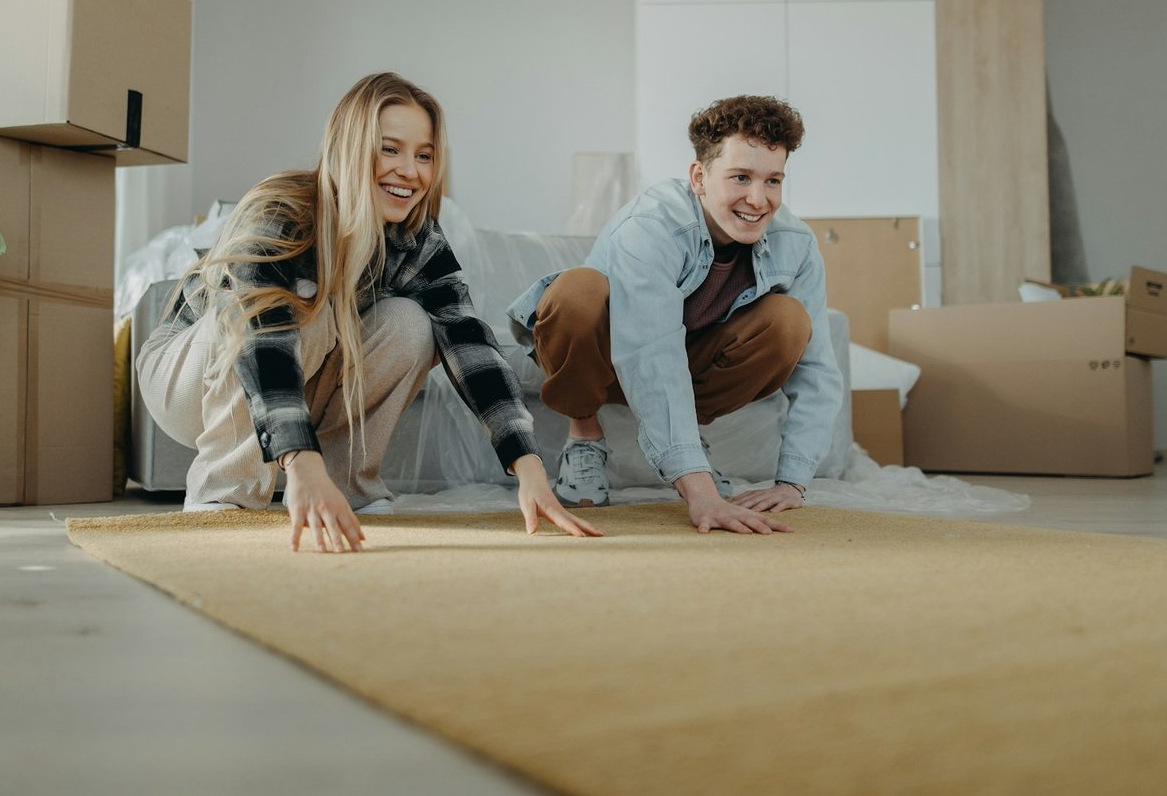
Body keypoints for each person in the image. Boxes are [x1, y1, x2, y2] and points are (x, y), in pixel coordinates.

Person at [137, 72, 600, 552]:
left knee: (413, 324)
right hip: (188, 380)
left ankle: (347, 488)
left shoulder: (416, 240)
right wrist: (300, 460)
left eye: (424, 155)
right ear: (350, 148)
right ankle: (223, 495)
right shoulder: (280, 209)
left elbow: (468, 342)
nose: (409, 171)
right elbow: (262, 335)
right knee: (307, 298)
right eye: (390, 149)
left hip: (303, 367)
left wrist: (528, 465)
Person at [508, 95, 843, 534]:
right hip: (606, 359)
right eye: (740, 177)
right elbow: (651, 352)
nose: (758, 199)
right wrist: (701, 493)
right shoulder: (653, 225)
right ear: (699, 177)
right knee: (577, 291)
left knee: (790, 321)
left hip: (689, 362)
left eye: (773, 181)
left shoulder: (795, 244)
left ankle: (690, 450)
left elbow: (817, 369)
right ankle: (585, 436)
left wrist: (793, 482)